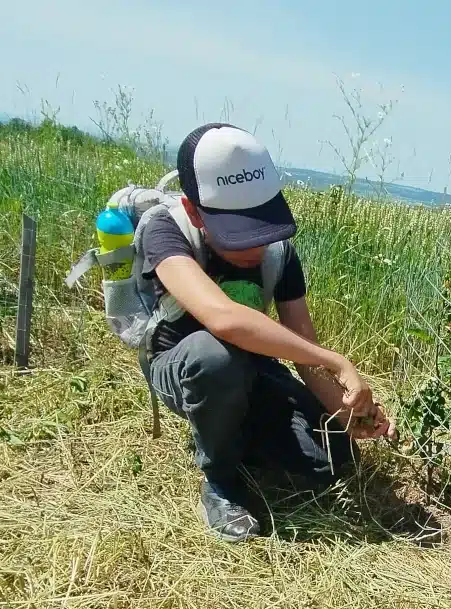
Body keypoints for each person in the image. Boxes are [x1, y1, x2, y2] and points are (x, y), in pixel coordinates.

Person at [141, 123, 393, 542]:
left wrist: (345, 413)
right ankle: (220, 482)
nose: (254, 246)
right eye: (235, 234)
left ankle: (232, 431)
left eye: (261, 228)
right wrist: (337, 361)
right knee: (214, 358)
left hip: (253, 368)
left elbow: (302, 351)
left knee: (328, 460)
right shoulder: (164, 231)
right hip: (183, 364)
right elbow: (223, 319)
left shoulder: (279, 254)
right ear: (194, 211)